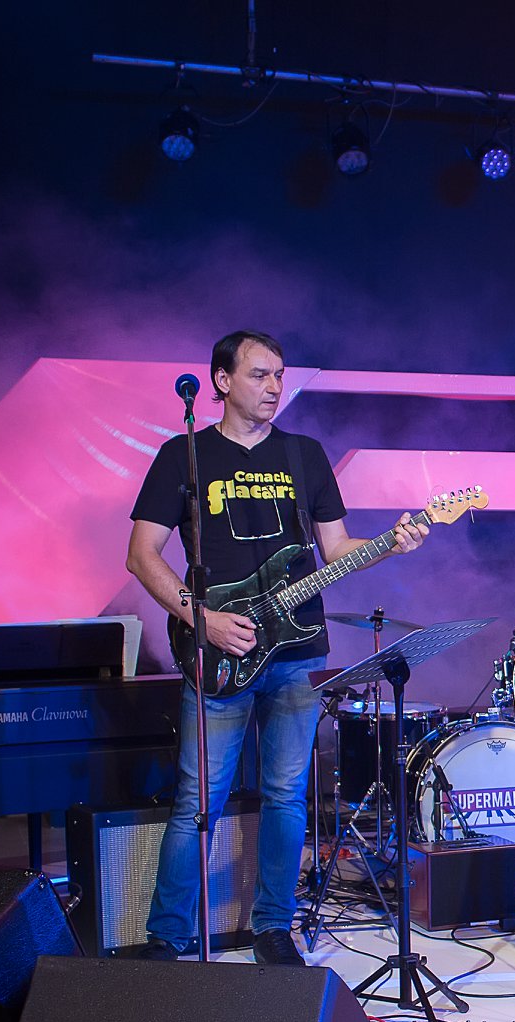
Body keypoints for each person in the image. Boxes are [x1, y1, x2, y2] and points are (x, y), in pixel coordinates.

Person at [127, 330, 429, 966]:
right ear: (221, 380)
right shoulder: (184, 455)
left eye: (280, 375)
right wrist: (201, 618)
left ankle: (273, 928)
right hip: (216, 650)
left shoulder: (303, 454)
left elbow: (336, 549)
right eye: (259, 374)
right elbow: (141, 555)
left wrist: (391, 544)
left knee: (286, 796)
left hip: (297, 653)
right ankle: (167, 938)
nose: (273, 387)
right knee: (197, 801)